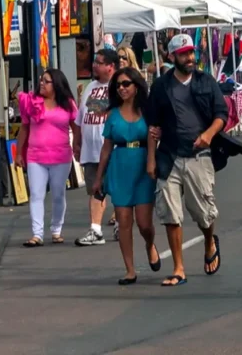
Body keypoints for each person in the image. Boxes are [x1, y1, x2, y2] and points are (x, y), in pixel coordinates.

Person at [146, 34, 227, 286]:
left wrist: (208, 134)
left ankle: (209, 239)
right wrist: (150, 159)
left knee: (204, 213)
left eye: (191, 53)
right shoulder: (161, 86)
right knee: (170, 213)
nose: (190, 58)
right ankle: (179, 267)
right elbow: (152, 124)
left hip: (198, 156)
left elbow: (221, 114)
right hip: (169, 156)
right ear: (171, 57)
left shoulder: (206, 81)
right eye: (183, 54)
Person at [91, 67, 161, 284]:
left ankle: (150, 244)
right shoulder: (111, 113)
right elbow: (106, 148)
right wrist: (98, 177)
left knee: (144, 224)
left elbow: (153, 136)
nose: (121, 88)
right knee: (123, 221)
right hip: (119, 166)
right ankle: (130, 270)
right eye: (118, 85)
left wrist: (151, 160)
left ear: (136, 86)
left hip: (142, 166)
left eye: (126, 84)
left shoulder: (147, 110)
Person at [16, 69, 78, 247]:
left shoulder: (67, 103)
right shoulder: (31, 102)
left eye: (46, 81)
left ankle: (56, 229)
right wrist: (19, 152)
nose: (41, 83)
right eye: (41, 80)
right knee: (36, 194)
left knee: (58, 194)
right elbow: (24, 128)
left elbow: (76, 128)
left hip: (61, 156)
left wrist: (78, 146)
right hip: (35, 156)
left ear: (56, 84)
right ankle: (37, 234)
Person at [76, 49, 119, 247]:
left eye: (99, 63)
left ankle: (121, 223)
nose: (95, 65)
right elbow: (81, 119)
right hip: (91, 150)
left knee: (118, 189)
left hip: (113, 149)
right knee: (96, 189)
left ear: (110, 66)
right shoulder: (90, 87)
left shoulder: (119, 86)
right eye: (95, 62)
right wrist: (77, 143)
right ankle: (96, 230)